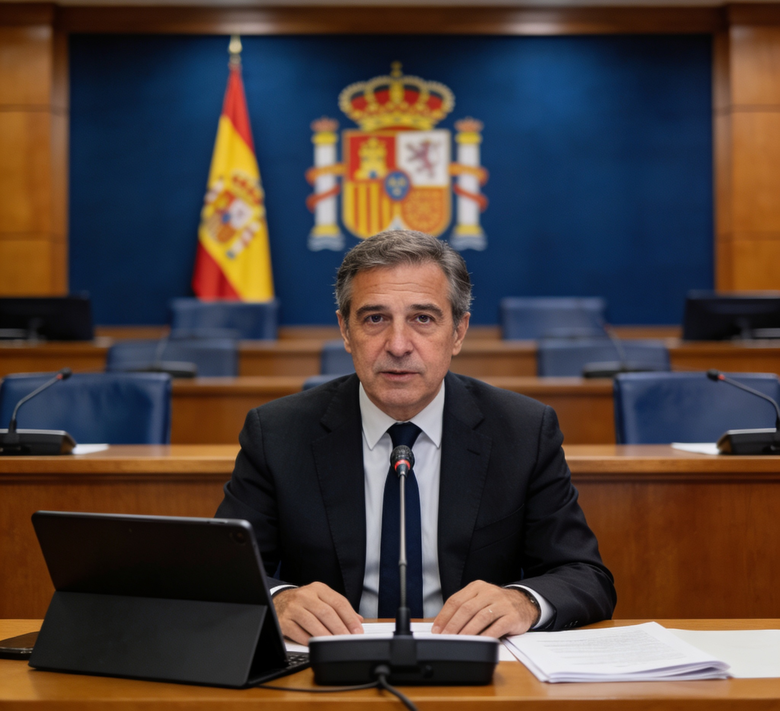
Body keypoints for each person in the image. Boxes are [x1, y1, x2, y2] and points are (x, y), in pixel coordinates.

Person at [216, 230, 616, 645]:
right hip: (328, 670)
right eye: (375, 319)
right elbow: (221, 570)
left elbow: (585, 576)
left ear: (458, 332)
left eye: (423, 318)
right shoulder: (277, 433)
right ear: (345, 331)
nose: (399, 345)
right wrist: (279, 598)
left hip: (475, 671)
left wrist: (523, 602)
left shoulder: (523, 430)